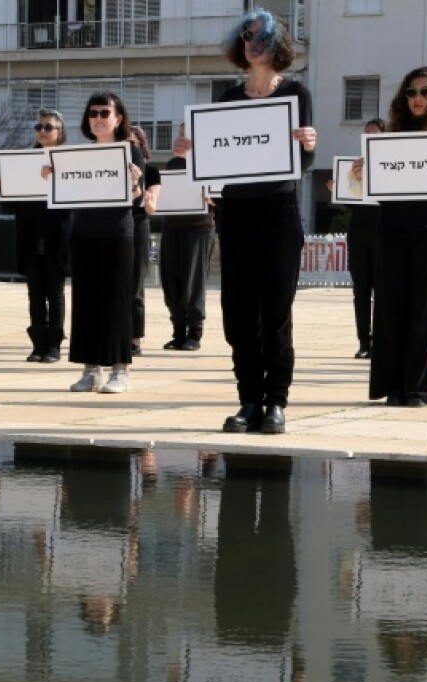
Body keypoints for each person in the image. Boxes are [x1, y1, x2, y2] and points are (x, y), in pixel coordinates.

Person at [174, 9, 316, 433]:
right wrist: (189, 150)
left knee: (275, 311)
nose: (253, 42)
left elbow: (301, 162)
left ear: (277, 44)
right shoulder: (228, 98)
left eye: (262, 36)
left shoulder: (296, 93)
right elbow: (216, 160)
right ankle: (249, 400)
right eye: (247, 35)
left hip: (277, 212)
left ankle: (277, 402)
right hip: (235, 214)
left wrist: (308, 144)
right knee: (237, 312)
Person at [355, 66, 427, 408]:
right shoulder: (391, 134)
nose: (417, 99)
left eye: (425, 92)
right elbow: (376, 190)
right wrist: (362, 173)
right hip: (391, 229)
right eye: (411, 92)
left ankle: (418, 388)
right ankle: (393, 385)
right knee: (391, 309)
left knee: (425, 311)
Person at [46, 92, 144, 395]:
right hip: (83, 232)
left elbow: (136, 195)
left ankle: (120, 369)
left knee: (116, 300)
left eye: (105, 112)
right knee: (86, 301)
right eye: (93, 113)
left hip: (117, 232)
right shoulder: (79, 154)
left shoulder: (130, 152)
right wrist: (51, 175)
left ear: (118, 118)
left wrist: (134, 182)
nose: (98, 118)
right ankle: (91, 369)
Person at [0, 108, 71, 363]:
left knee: (54, 293)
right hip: (30, 234)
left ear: (60, 131)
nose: (42, 131)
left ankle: (54, 345)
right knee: (34, 292)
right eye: (39, 127)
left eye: (48, 127)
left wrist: (56, 179)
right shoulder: (24, 160)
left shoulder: (67, 160)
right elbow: (13, 201)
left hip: (57, 234)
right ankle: (37, 344)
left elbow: (76, 198)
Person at [328, 117, 384, 359]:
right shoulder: (354, 167)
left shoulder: (393, 166)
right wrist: (337, 187)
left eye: (375, 134)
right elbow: (351, 202)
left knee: (384, 292)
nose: (370, 137)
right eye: (367, 134)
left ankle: (383, 342)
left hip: (384, 234)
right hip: (359, 234)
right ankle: (364, 342)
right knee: (361, 291)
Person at [160, 123, 213, 351]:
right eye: (180, 134)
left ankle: (195, 333)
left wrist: (212, 198)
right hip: (172, 226)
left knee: (193, 280)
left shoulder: (210, 163)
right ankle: (178, 332)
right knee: (172, 280)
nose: (183, 139)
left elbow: (220, 196)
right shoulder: (172, 164)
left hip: (199, 227)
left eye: (188, 134)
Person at [127, 125, 161, 356]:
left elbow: (151, 209)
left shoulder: (152, 171)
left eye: (133, 144)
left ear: (142, 147)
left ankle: (135, 338)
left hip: (138, 225)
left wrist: (145, 196)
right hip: (112, 226)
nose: (129, 149)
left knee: (135, 285)